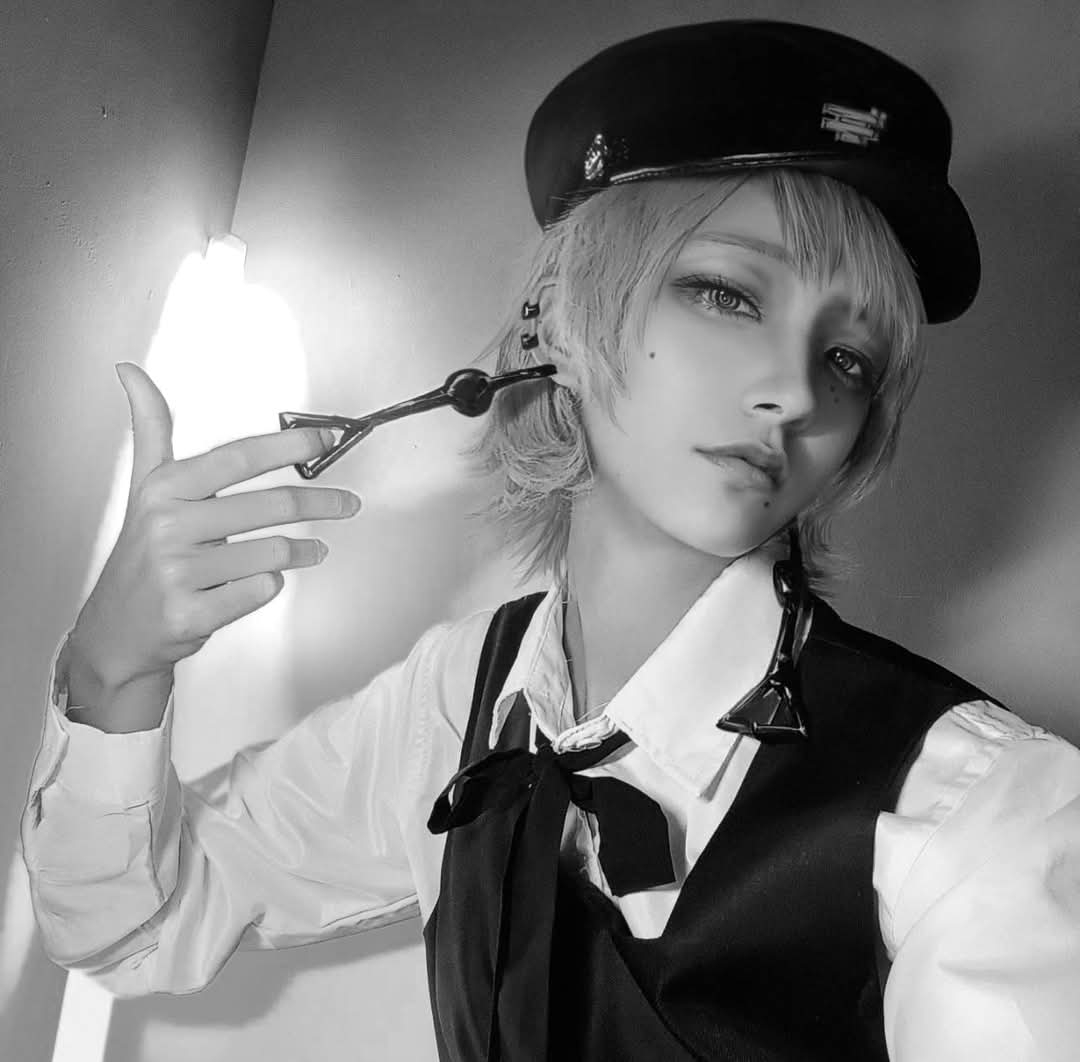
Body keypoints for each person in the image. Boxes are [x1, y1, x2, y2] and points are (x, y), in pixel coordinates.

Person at [21, 19, 1080, 1062]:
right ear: (558, 321)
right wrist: (113, 672)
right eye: (726, 293)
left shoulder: (982, 810)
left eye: (848, 360)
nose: (795, 392)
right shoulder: (459, 702)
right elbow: (132, 925)